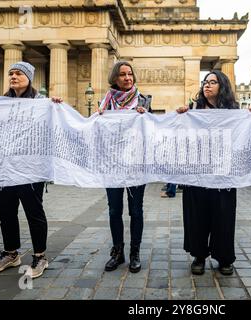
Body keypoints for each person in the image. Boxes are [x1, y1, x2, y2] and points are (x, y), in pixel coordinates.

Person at [0, 61, 63, 279]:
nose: (13, 76)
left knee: (34, 213)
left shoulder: (40, 102)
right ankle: (11, 254)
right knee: (6, 213)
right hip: (4, 169)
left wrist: (55, 105)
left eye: (19, 73)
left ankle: (40, 256)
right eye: (11, 73)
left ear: (29, 77)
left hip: (30, 170)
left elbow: (54, 126)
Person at [176, 70, 251, 276]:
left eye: (212, 82)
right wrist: (180, 116)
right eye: (205, 82)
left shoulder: (234, 111)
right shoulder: (193, 109)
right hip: (197, 173)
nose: (207, 85)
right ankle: (199, 255)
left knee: (223, 216)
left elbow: (249, 135)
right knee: (197, 216)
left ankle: (224, 257)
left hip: (223, 174)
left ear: (222, 86)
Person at [99, 61, 151, 273]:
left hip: (136, 164)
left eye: (130, 74)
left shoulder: (143, 100)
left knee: (136, 211)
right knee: (114, 211)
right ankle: (118, 252)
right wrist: (98, 119)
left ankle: (135, 252)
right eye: (122, 74)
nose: (127, 78)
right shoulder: (106, 102)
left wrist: (145, 116)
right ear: (115, 78)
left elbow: (152, 131)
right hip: (112, 165)